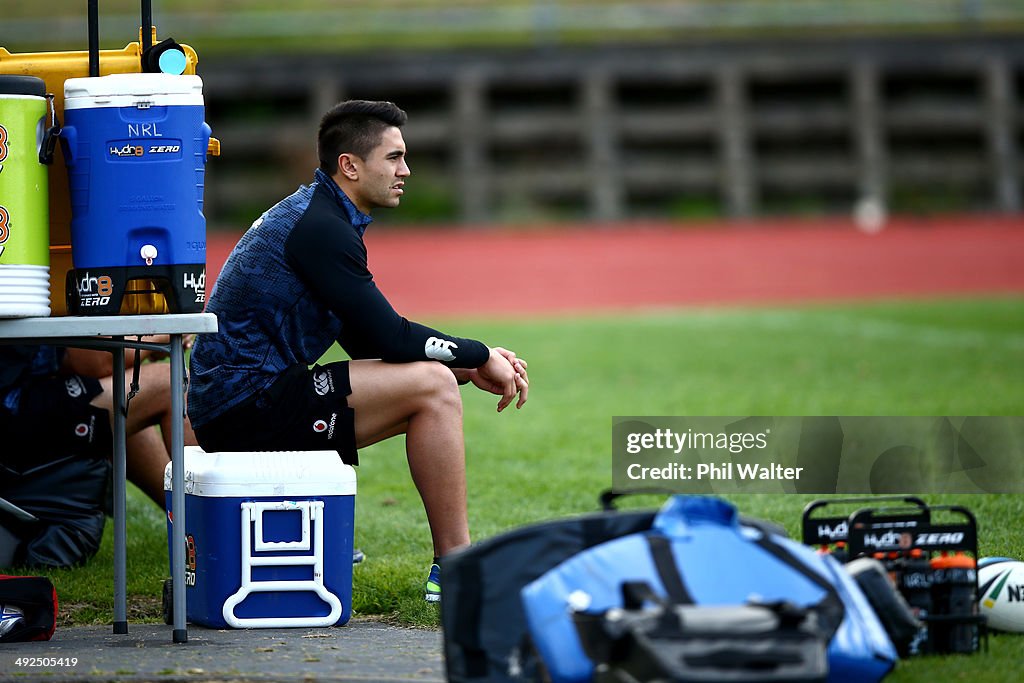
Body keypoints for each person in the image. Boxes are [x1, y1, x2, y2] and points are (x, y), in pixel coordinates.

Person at [187, 99, 529, 602]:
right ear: (350, 165)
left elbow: (367, 342)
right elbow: (390, 337)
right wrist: (478, 354)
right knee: (431, 388)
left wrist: (465, 368)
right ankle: (456, 567)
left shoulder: (321, 213)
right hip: (246, 407)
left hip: (245, 401)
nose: (405, 171)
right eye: (393, 158)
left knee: (434, 380)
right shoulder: (321, 228)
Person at [0, 341, 194, 509]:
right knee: (173, 385)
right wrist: (159, 336)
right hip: (11, 412)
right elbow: (100, 362)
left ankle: (192, 523)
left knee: (127, 403)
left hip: (17, 397)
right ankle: (207, 529)